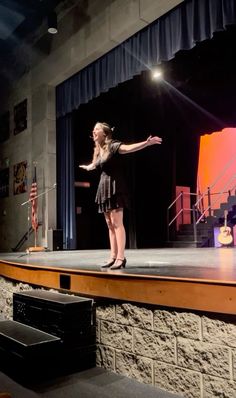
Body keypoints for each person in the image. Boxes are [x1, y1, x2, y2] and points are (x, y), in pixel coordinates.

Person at [79, 122, 162, 270]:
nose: (94, 131)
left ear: (105, 133)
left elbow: (129, 148)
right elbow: (95, 164)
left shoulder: (113, 145)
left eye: (97, 129)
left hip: (115, 186)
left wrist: (146, 143)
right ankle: (112, 256)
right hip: (104, 187)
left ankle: (121, 257)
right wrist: (89, 166)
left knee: (117, 223)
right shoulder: (100, 150)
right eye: (93, 129)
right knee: (110, 225)